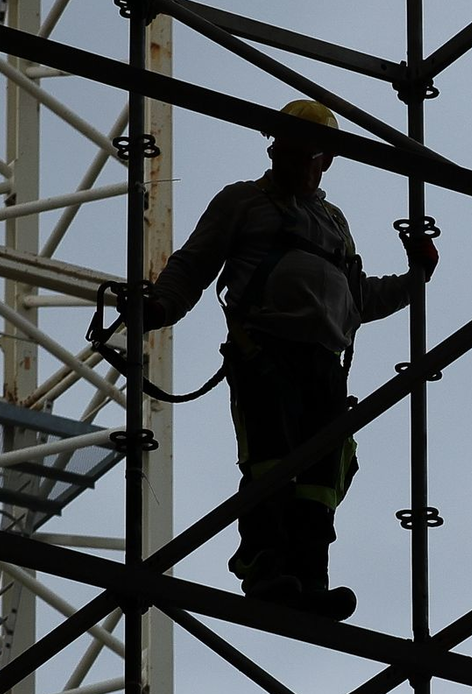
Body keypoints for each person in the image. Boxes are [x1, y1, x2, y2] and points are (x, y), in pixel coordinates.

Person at [133, 99, 437, 620]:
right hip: (265, 353)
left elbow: (358, 298)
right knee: (271, 460)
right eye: (285, 150)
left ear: (325, 160)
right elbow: (195, 264)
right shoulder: (244, 201)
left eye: (304, 153)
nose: (291, 160)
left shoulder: (333, 222)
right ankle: (266, 569)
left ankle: (310, 579)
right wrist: (159, 307)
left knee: (321, 475)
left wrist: (416, 280)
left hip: (325, 362)